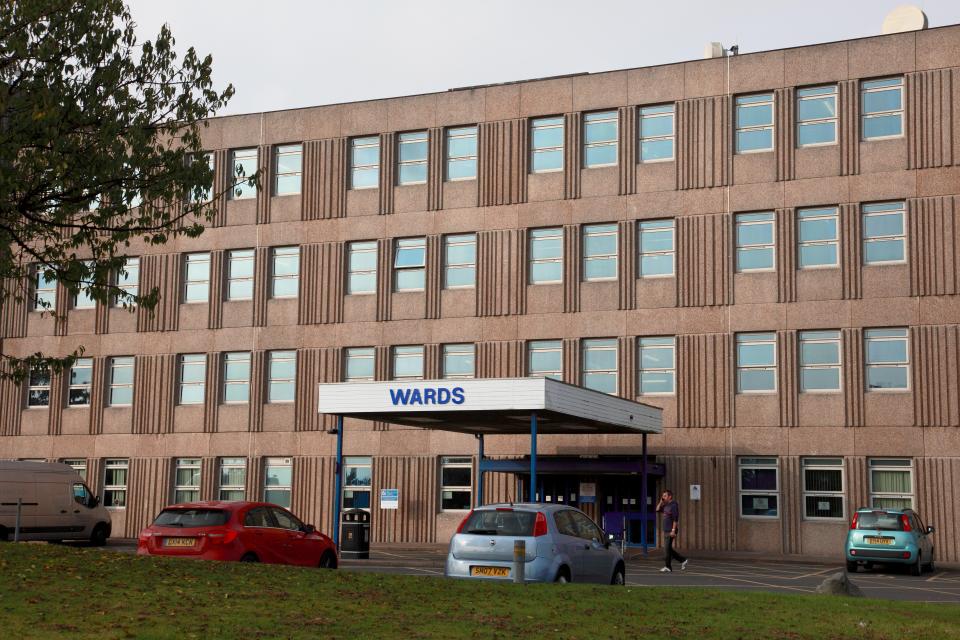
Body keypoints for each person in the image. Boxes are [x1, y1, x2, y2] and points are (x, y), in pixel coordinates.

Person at [656, 489, 688, 573]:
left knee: (666, 549)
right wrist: (661, 501)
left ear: (670, 497)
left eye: (665, 496)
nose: (663, 497)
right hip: (666, 530)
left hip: (671, 530)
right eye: (663, 496)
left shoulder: (673, 505)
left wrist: (673, 530)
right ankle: (682, 560)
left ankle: (668, 567)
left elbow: (675, 519)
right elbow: (657, 509)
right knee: (668, 549)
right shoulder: (666, 505)